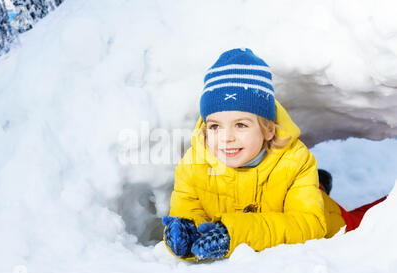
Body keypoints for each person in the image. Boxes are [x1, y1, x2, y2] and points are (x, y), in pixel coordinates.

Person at [161, 48, 387, 261]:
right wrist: (187, 231)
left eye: (240, 125)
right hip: (281, 199)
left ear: (269, 129)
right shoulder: (193, 164)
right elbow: (188, 208)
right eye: (215, 126)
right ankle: (318, 184)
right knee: (300, 192)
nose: (225, 137)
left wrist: (234, 234)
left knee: (371, 220)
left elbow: (310, 224)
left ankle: (318, 188)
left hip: (325, 217)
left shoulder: (296, 162)